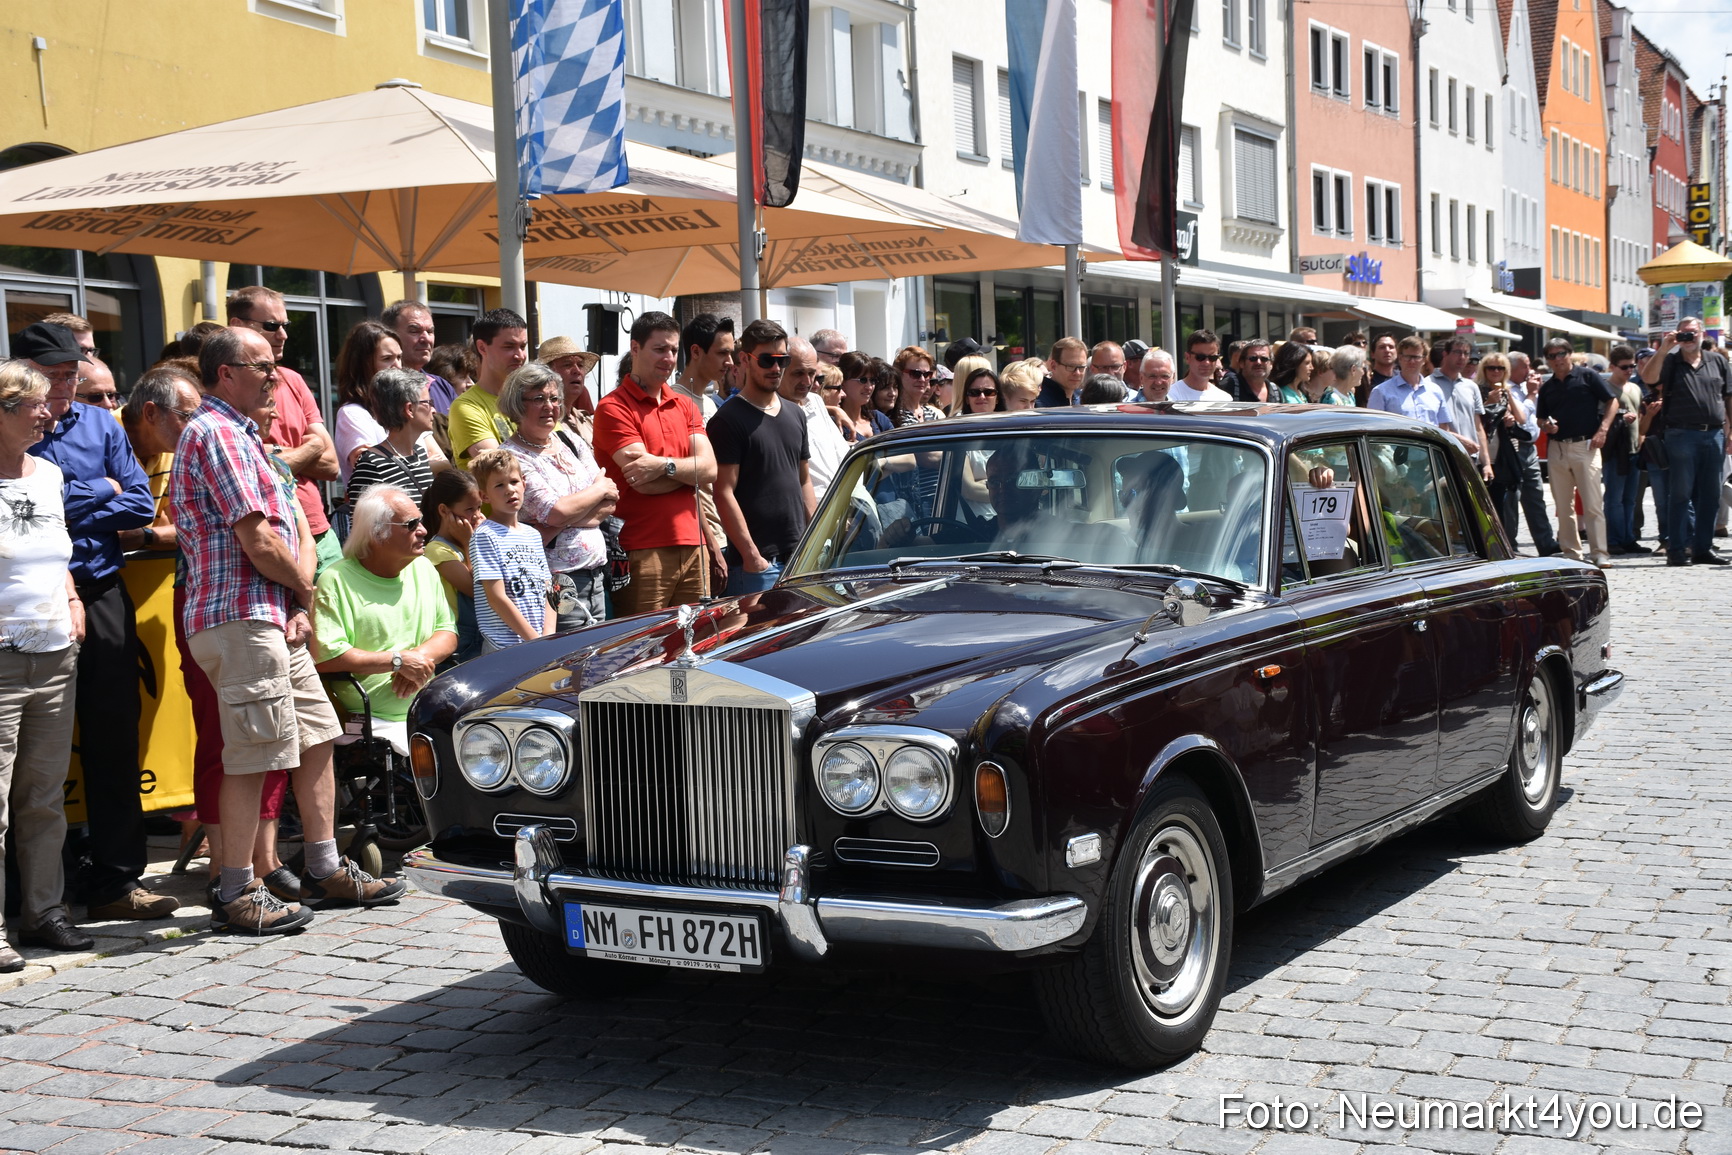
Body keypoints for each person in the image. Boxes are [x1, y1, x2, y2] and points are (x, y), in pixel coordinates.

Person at [174, 327, 403, 934]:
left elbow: (298, 528)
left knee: (316, 734)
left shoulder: (248, 437)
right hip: (239, 617)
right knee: (253, 755)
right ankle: (235, 890)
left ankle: (325, 866)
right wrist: (304, 589)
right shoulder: (217, 432)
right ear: (226, 373)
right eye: (264, 366)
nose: (276, 376)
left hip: (272, 614)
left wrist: (299, 600)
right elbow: (259, 540)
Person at [16, 322, 172, 929]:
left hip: (102, 591)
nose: (65, 390)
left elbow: (137, 502)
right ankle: (37, 891)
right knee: (37, 756)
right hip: (36, 600)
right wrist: (91, 492)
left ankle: (116, 879)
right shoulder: (14, 428)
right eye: (54, 379)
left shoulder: (100, 424)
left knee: (113, 739)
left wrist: (66, 499)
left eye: (72, 378)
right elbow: (26, 508)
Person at [0, 361, 88, 968]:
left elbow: (55, 549)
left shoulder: (50, 474)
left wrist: (75, 597)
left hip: (56, 653)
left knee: (42, 796)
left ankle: (44, 911)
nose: (47, 410)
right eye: (32, 403)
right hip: (1, 657)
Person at [593, 311, 721, 614]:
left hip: (694, 545)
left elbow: (711, 470)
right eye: (660, 349)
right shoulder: (613, 407)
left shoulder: (685, 403)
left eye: (674, 350)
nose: (669, 358)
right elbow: (644, 482)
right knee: (643, 649)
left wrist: (664, 466)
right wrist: (690, 473)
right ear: (635, 348)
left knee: (694, 645)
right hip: (640, 547)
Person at [313, 484, 457, 730]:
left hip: (427, 712)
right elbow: (326, 656)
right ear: (377, 533)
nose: (423, 530)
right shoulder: (335, 579)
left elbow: (447, 632)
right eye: (411, 525)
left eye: (421, 521)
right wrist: (397, 661)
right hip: (369, 723)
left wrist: (416, 661)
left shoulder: (423, 568)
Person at [228, 288, 341, 572]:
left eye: (285, 326)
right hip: (271, 532)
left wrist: (274, 453)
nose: (283, 335)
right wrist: (311, 447)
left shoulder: (292, 380)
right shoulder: (227, 388)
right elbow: (250, 467)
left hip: (318, 528)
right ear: (237, 326)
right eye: (271, 326)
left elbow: (331, 466)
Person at [501, 364, 618, 631]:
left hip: (598, 576)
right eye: (539, 399)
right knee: (567, 661)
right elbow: (556, 510)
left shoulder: (569, 440)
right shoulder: (512, 457)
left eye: (554, 399)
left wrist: (559, 521)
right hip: (556, 581)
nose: (549, 406)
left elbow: (609, 498)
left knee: (598, 662)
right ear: (518, 405)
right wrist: (590, 495)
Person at [709, 319, 815, 596]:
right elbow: (723, 492)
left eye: (783, 360)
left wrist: (816, 542)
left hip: (800, 559)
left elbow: (803, 479)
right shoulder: (728, 419)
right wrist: (752, 556)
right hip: (758, 567)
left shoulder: (796, 414)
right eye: (767, 359)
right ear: (745, 359)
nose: (776, 368)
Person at [1639, 317, 1731, 565]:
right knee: (1681, 493)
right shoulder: (1670, 361)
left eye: (1692, 333)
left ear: (1701, 333)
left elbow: (1728, 398)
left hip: (1713, 434)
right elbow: (1648, 378)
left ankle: (1702, 548)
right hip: (1681, 434)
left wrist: (1730, 432)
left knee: (1711, 494)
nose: (1688, 338)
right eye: (1684, 333)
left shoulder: (1718, 361)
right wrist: (1665, 348)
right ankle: (1677, 549)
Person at [1536, 337, 1618, 566]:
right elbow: (1541, 417)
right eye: (1551, 356)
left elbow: (1612, 402)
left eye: (1561, 353)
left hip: (1586, 446)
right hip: (1557, 448)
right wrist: (1546, 426)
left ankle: (1600, 552)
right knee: (1563, 506)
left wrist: (1603, 430)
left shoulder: (1588, 376)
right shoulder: (1548, 386)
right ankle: (1572, 554)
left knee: (1592, 503)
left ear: (1569, 354)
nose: (1557, 359)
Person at [468, 449, 555, 649]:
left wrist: (548, 638)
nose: (509, 490)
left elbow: (548, 589)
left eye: (514, 482)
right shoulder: (484, 535)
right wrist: (535, 641)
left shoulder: (533, 535)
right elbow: (497, 597)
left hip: (540, 642)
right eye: (499, 485)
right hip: (504, 646)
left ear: (524, 484)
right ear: (484, 496)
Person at [117, 363, 202, 554]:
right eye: (188, 416)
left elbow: (193, 528)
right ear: (151, 413)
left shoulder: (175, 448)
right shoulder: (102, 438)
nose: (197, 427)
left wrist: (145, 536)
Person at [448, 309, 529, 466]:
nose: (519, 355)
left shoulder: (532, 398)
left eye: (523, 346)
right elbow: (503, 470)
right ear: (482, 348)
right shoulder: (466, 407)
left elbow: (564, 451)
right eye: (509, 346)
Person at [346, 368, 438, 507]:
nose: (434, 410)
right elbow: (362, 526)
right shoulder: (371, 465)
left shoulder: (420, 454)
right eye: (428, 403)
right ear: (409, 409)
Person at [420, 469, 483, 668]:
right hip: (462, 644)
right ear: (444, 510)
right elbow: (478, 589)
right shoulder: (436, 550)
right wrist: (469, 543)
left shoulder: (473, 539)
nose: (477, 515)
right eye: (469, 509)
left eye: (479, 508)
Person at [331, 321, 405, 488]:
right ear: (363, 364)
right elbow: (374, 470)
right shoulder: (352, 414)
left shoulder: (404, 408)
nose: (398, 366)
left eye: (399, 357)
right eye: (387, 359)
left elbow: (441, 461)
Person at [1507, 351, 1561, 555]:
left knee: (1536, 495)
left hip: (1530, 448)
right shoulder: (1508, 388)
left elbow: (1537, 415)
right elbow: (1520, 416)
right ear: (1512, 367)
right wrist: (1531, 394)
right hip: (1513, 446)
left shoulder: (1529, 387)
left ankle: (1546, 543)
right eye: (1524, 366)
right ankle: (1510, 545)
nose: (1529, 371)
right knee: (1512, 498)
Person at [782, 335, 847, 502]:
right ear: (781, 369)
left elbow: (842, 455)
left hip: (844, 504)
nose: (808, 381)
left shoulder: (816, 402)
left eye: (812, 374)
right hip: (812, 517)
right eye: (798, 373)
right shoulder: (771, 412)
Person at [1476, 352, 1531, 540]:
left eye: (1501, 368)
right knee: (1484, 501)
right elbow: (1476, 422)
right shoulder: (1478, 390)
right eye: (1491, 367)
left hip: (1503, 454)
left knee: (1501, 500)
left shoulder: (1506, 392)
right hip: (1484, 453)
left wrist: (1510, 418)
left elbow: (1522, 418)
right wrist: (1489, 403)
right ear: (1484, 370)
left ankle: (1504, 540)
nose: (1496, 372)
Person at [1602, 345, 1648, 556]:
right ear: (1612, 366)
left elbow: (1639, 416)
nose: (1629, 371)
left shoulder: (1636, 388)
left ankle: (1628, 538)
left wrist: (1641, 439)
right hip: (1614, 452)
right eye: (1624, 367)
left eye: (1632, 366)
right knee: (1614, 498)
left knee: (1630, 499)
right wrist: (1620, 417)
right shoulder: (1605, 388)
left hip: (1633, 450)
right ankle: (1613, 539)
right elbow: (1600, 420)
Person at [1368, 336, 1456, 434]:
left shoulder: (1435, 391)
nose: (1412, 361)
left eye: (1416, 357)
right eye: (1407, 357)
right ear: (1400, 357)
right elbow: (1373, 429)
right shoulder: (1381, 391)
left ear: (1424, 360)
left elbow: (1443, 428)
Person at [382, 299, 457, 415]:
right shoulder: (381, 390)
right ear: (391, 335)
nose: (426, 339)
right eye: (414, 331)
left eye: (430, 331)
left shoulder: (442, 386)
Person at [1428, 336, 1486, 467]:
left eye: (1466, 353)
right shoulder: (1428, 385)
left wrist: (1486, 463)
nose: (1462, 357)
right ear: (1445, 354)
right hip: (1442, 457)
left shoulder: (1471, 386)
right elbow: (1429, 424)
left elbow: (1478, 428)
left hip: (1470, 458)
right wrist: (1458, 440)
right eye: (1457, 352)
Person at [674, 314, 733, 423]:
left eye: (730, 354)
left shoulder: (710, 405)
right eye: (722, 353)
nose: (730, 362)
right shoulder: (671, 403)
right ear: (696, 352)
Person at [536, 335, 600, 420]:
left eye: (580, 365)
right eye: (567, 365)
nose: (577, 371)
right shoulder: (542, 423)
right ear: (547, 372)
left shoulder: (585, 421)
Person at [837, 352, 893, 441]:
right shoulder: (835, 424)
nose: (869, 387)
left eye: (872, 380)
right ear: (843, 382)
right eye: (863, 380)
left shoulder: (879, 419)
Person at [1171, 330, 1233, 401]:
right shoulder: (1171, 395)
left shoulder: (1224, 399)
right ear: (1187, 358)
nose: (1207, 362)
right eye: (1200, 357)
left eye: (1212, 357)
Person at [892, 345, 945, 426]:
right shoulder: (894, 417)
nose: (922, 379)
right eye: (916, 374)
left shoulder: (933, 415)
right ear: (899, 374)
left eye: (927, 374)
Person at [1037, 337, 1089, 407]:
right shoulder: (1037, 402)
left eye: (1081, 367)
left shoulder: (1083, 399)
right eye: (1071, 366)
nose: (1077, 373)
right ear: (1053, 366)